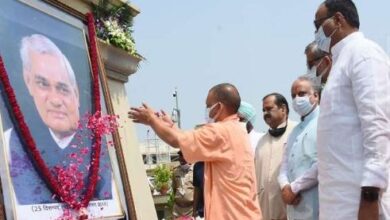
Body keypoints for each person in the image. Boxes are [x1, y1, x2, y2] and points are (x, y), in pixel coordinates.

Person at [5, 34, 112, 204]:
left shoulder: (102, 147)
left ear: (76, 94)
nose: (55, 101)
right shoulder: (9, 142)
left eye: (63, 89)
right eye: (43, 84)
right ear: (28, 82)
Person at [129, 83, 262, 220]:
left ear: (219, 107)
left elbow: (176, 141)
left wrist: (152, 120)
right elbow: (186, 139)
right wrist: (171, 126)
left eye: (208, 105)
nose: (206, 110)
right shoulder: (237, 129)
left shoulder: (220, 131)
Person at [313, 0, 390, 219]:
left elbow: (377, 126)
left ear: (338, 19)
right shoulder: (341, 61)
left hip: (359, 203)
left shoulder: (364, 54)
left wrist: (370, 195)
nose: (316, 33)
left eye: (317, 24)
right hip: (337, 203)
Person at [278, 76, 320, 220]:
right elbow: (283, 166)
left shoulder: (324, 123)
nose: (297, 99)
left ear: (315, 96)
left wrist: (294, 188)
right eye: (293, 95)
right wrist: (285, 187)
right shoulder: (294, 132)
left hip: (317, 205)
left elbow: (322, 163)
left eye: (301, 94)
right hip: (293, 207)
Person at [255, 93, 297, 220]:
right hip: (265, 212)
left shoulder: (298, 132)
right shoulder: (261, 142)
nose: (265, 113)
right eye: (263, 110)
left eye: (269, 109)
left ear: (283, 109)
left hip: (294, 211)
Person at [172, 151, 194, 219]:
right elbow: (174, 189)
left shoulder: (195, 171)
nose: (180, 159)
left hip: (190, 209)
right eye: (180, 157)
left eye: (183, 156)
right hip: (177, 209)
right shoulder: (175, 171)